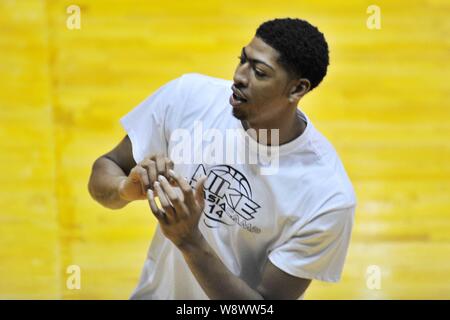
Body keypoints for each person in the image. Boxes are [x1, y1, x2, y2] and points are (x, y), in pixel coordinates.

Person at [88, 18, 356, 300]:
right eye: (242, 59)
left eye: (259, 72)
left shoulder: (327, 196)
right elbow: (105, 169)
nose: (239, 76)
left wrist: (189, 242)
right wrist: (125, 189)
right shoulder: (188, 98)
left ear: (297, 89)